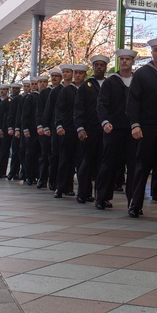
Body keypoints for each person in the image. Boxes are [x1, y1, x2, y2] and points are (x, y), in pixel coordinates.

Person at [127, 39, 157, 218]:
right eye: (155, 50)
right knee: (142, 166)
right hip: (146, 127)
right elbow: (132, 102)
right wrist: (135, 124)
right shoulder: (142, 74)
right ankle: (135, 204)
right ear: (151, 53)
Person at [95, 49, 136, 210]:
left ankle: (133, 200)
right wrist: (105, 122)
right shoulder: (111, 81)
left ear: (133, 61)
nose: (124, 62)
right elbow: (101, 103)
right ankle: (102, 197)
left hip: (133, 129)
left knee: (133, 166)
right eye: (122, 59)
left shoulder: (137, 80)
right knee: (108, 164)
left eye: (128, 59)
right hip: (113, 129)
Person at [74, 55, 108, 204]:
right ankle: (83, 192)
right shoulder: (85, 86)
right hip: (89, 129)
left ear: (106, 67)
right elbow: (79, 108)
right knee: (87, 162)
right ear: (93, 68)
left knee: (104, 164)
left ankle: (102, 196)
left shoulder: (110, 83)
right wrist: (80, 128)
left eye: (102, 65)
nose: (99, 67)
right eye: (96, 65)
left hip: (106, 130)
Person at [54, 65, 86, 198]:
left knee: (82, 161)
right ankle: (62, 187)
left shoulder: (87, 89)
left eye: (80, 73)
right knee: (66, 159)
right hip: (69, 129)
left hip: (84, 130)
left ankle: (83, 191)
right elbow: (59, 109)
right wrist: (59, 125)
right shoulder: (67, 90)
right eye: (76, 73)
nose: (77, 76)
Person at [36, 68, 62, 189]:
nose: (55, 78)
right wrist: (42, 126)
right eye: (53, 76)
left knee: (55, 155)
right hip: (47, 127)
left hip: (57, 126)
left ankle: (53, 180)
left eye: (57, 76)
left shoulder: (63, 90)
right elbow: (41, 111)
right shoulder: (45, 93)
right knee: (45, 153)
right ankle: (42, 178)